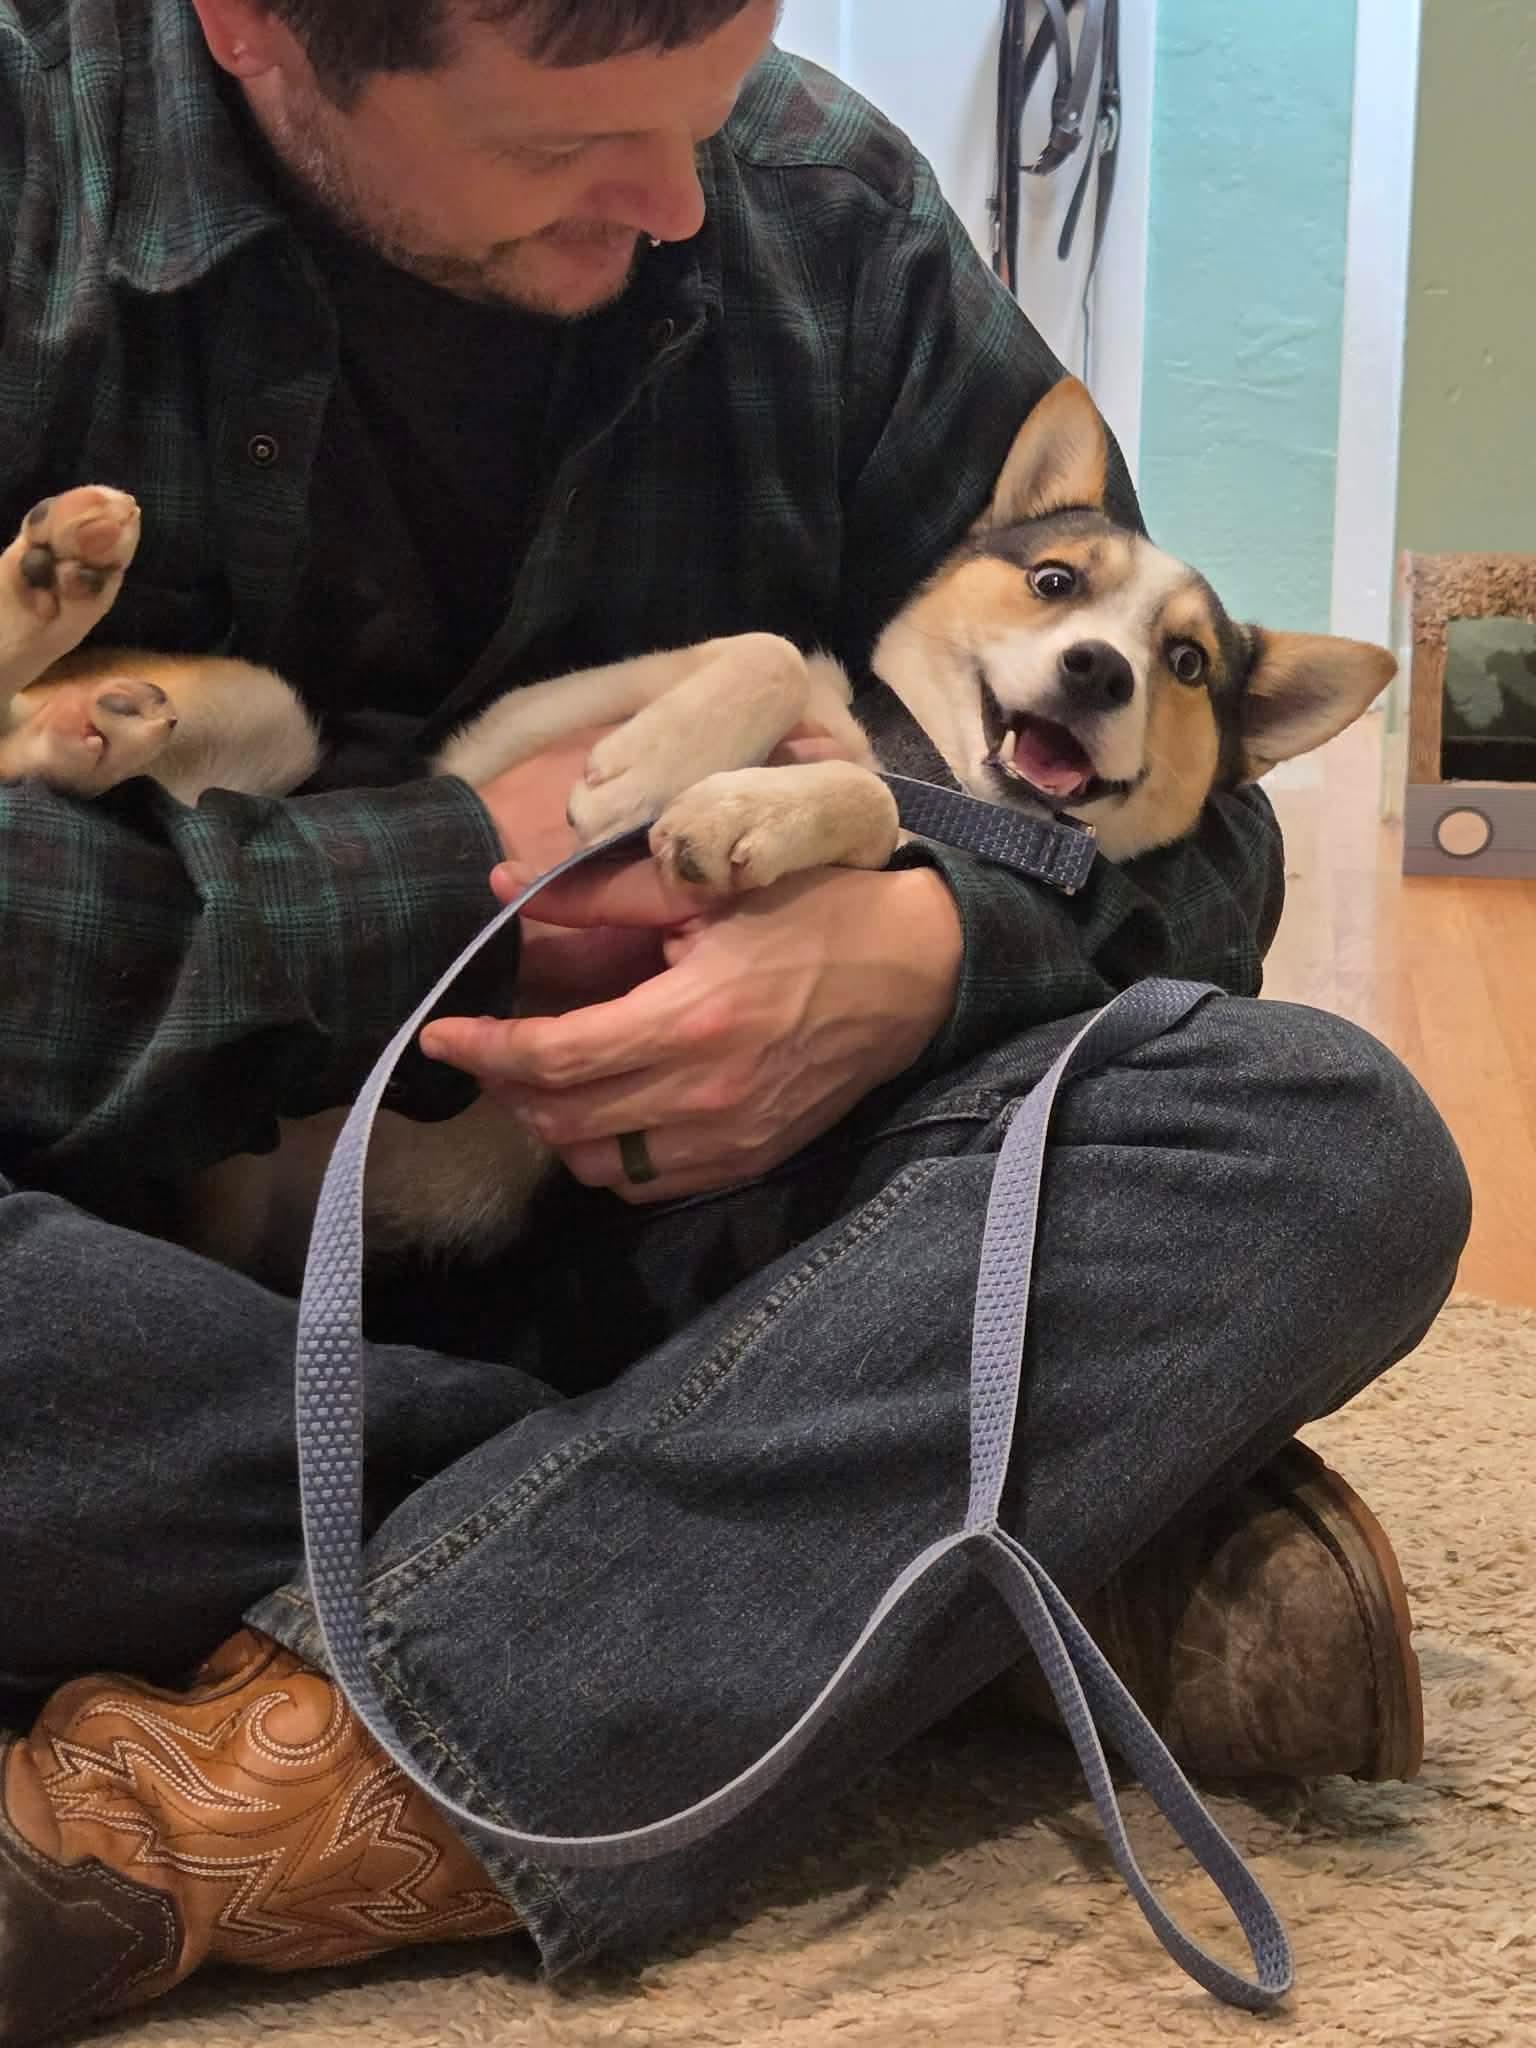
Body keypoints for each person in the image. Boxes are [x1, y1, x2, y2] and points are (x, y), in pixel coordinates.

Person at [0, 1, 1471, 2041]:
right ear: (255, 27)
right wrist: (458, 887)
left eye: (708, 107)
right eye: (560, 148)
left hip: (711, 1248)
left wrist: (931, 947)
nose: (681, 201)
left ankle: (240, 1790)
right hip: (122, 1267)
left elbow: (1197, 844)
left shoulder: (816, 208)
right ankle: (917, 1566)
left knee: (1318, 1144)